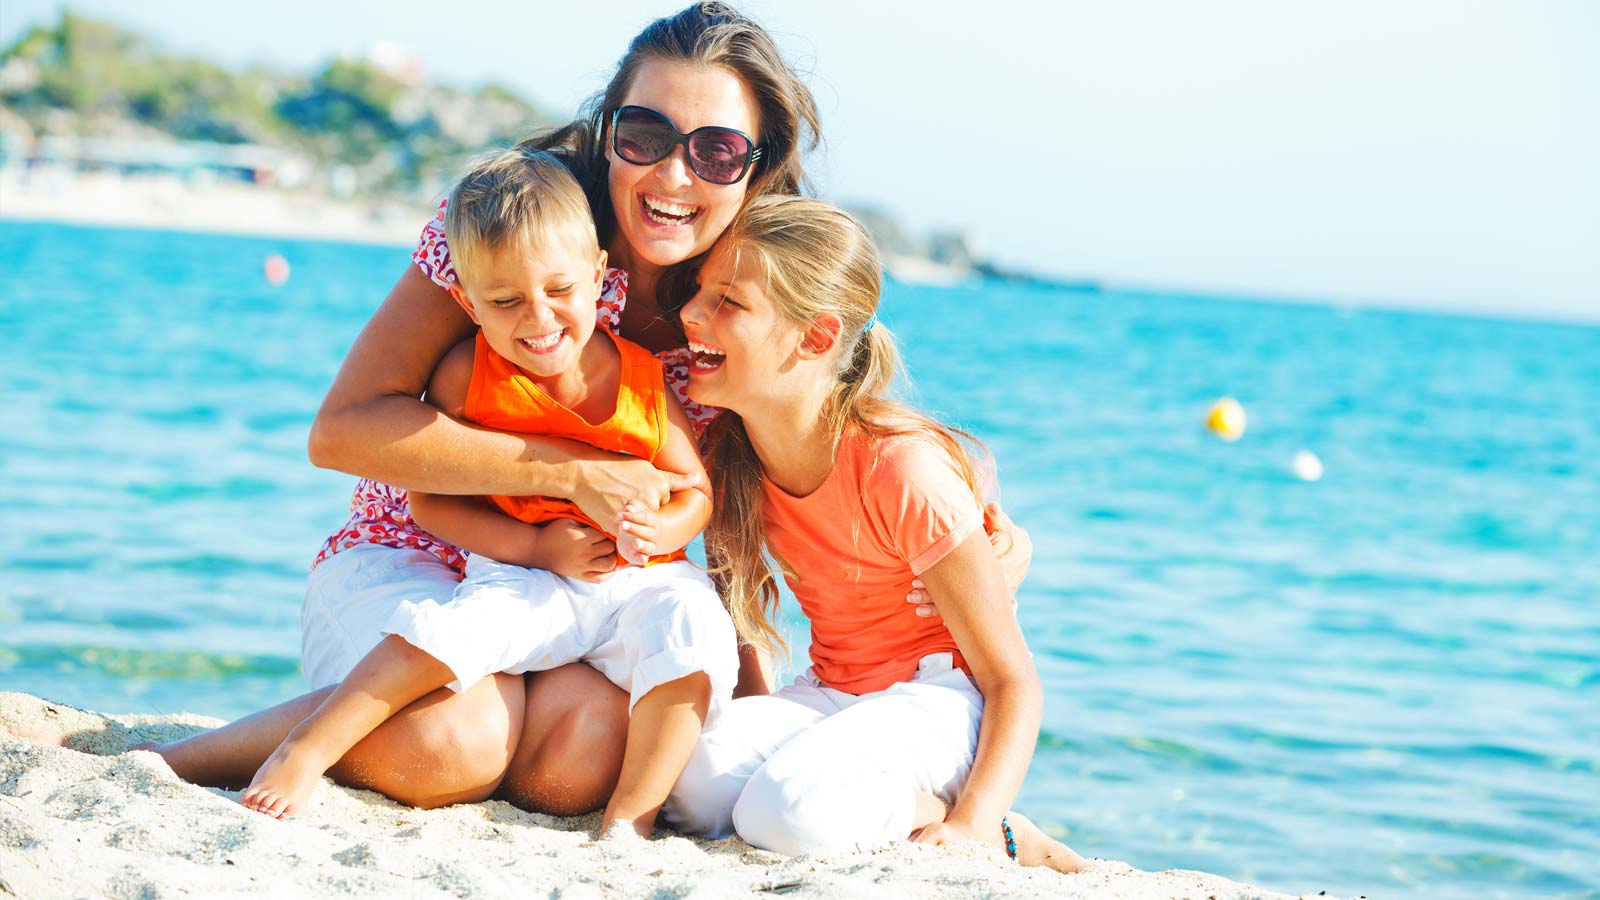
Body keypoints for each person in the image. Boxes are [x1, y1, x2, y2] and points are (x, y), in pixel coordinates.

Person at [114, 2, 1033, 819]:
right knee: (454, 744)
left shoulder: (744, 302)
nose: (674, 173)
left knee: (585, 761)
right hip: (420, 553)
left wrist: (966, 510)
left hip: (594, 595)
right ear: (606, 134)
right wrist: (567, 474)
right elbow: (344, 430)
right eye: (644, 133)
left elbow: (816, 447)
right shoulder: (515, 228)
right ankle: (181, 757)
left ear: (756, 170)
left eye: (715, 149)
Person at [237, 149, 737, 838]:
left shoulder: (641, 377)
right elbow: (429, 502)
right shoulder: (469, 376)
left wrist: (668, 530)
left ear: (598, 276)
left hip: (630, 580)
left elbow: (695, 490)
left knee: (683, 638)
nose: (538, 318)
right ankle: (301, 746)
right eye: (505, 302)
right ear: (469, 302)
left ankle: (631, 821)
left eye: (560, 291)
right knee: (453, 644)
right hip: (520, 569)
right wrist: (536, 542)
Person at [659, 196, 1085, 872]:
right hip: (837, 692)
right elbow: (737, 618)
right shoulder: (729, 457)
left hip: (943, 703)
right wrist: (760, 746)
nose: (691, 313)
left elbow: (1013, 682)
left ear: (817, 338)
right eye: (701, 290)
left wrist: (973, 824)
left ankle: (996, 829)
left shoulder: (902, 470)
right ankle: (827, 791)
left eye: (729, 302)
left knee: (783, 812)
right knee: (686, 779)